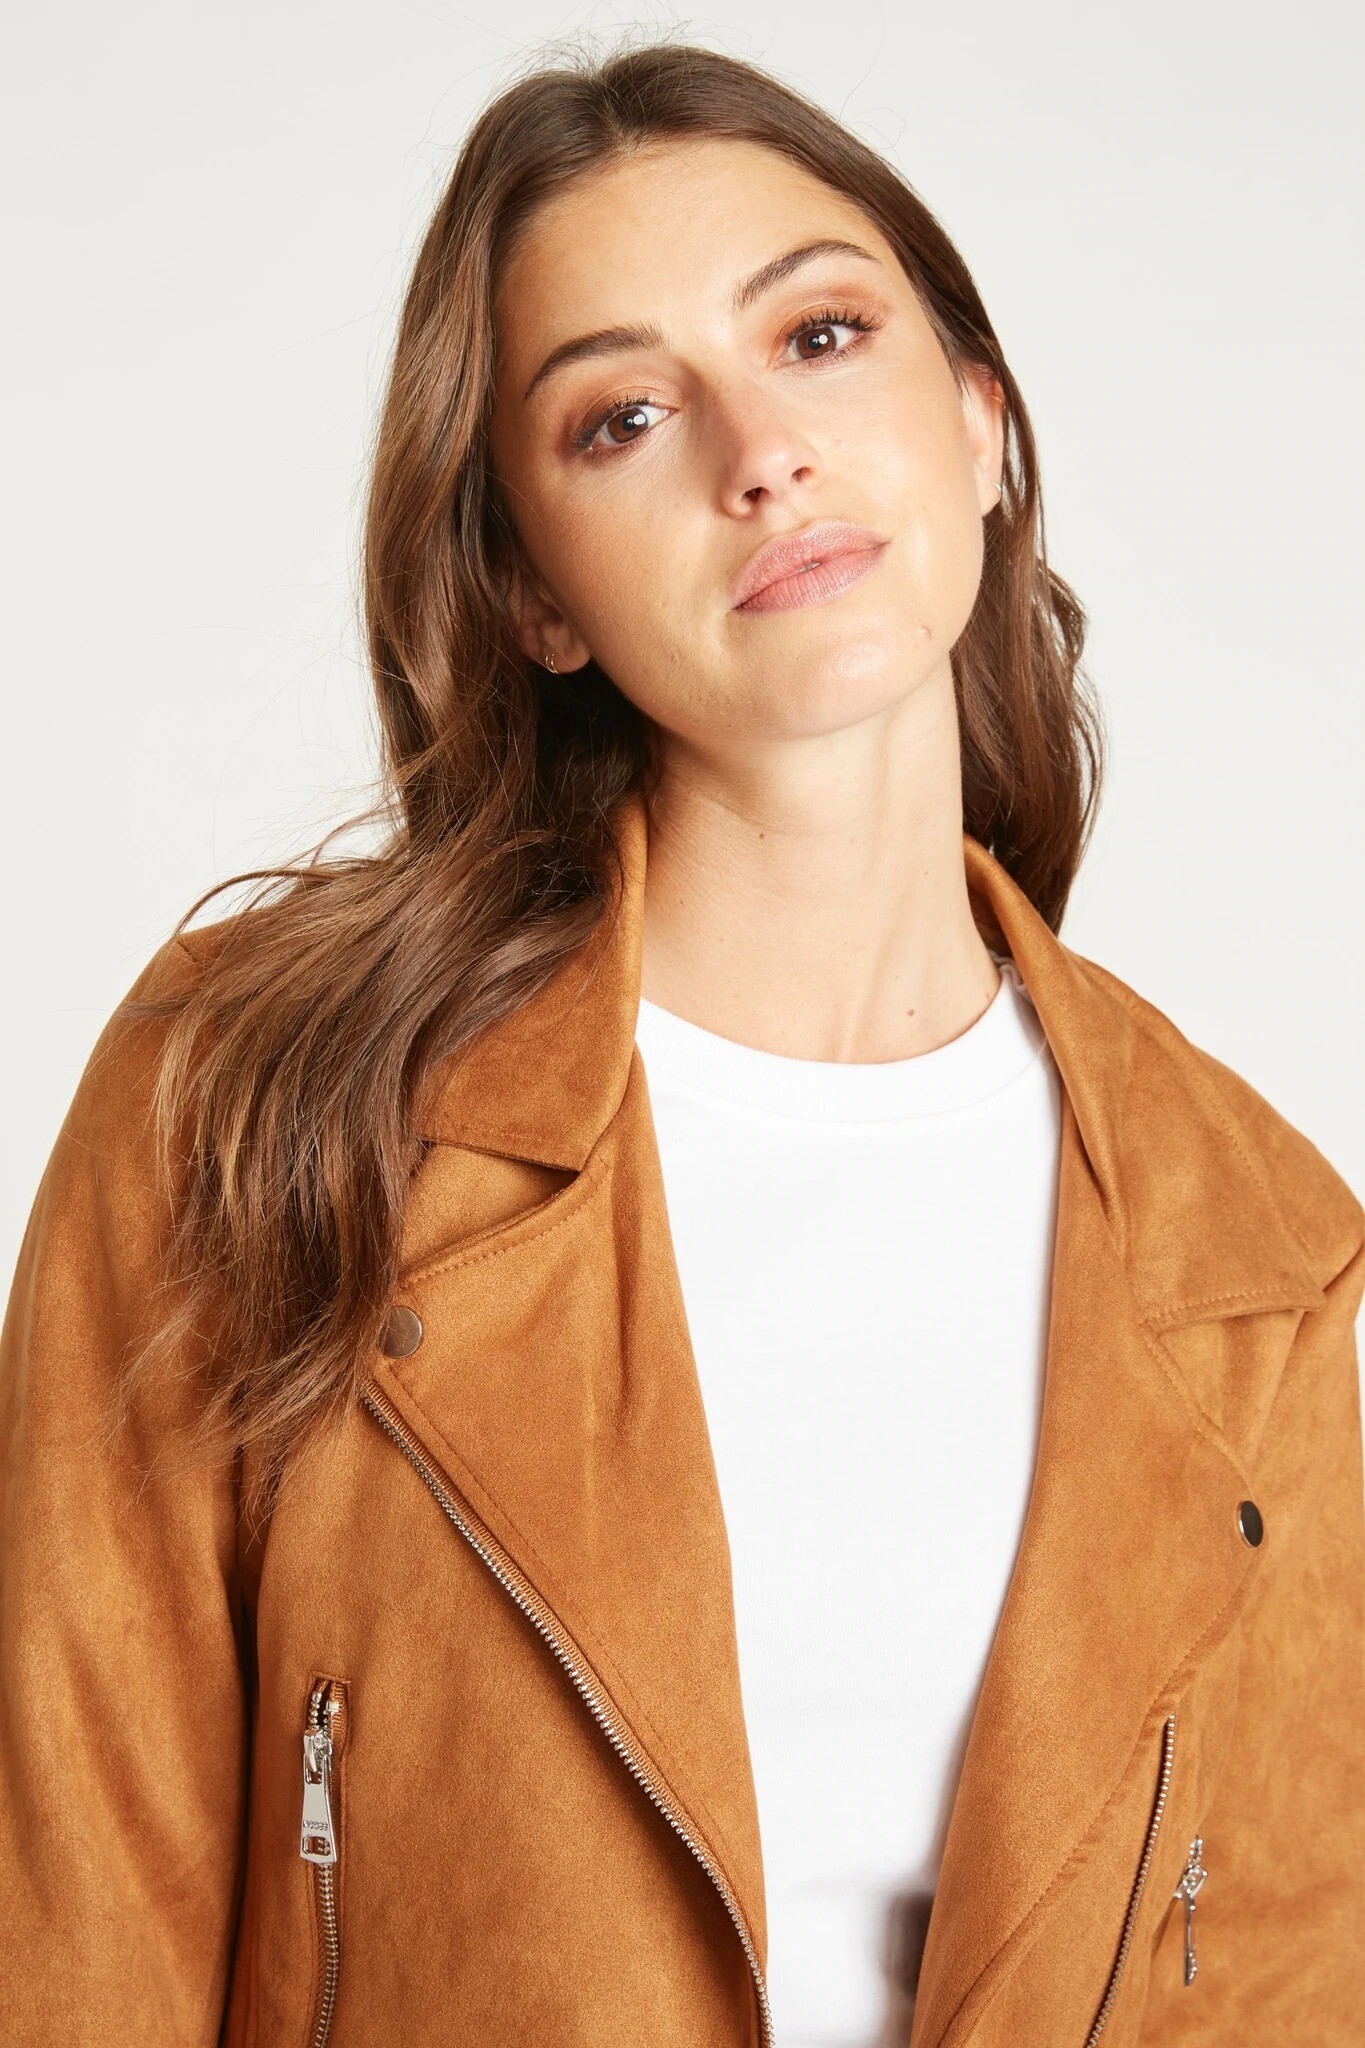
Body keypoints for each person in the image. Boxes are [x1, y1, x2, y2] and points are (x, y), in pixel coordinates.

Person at [1, 37, 1361, 2048]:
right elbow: (66, 1934)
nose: (760, 451)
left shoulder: (1244, 1247)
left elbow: (1277, 1985)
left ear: (979, 423)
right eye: (620, 415)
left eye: (819, 334)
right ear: (534, 596)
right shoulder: (262, 1105)